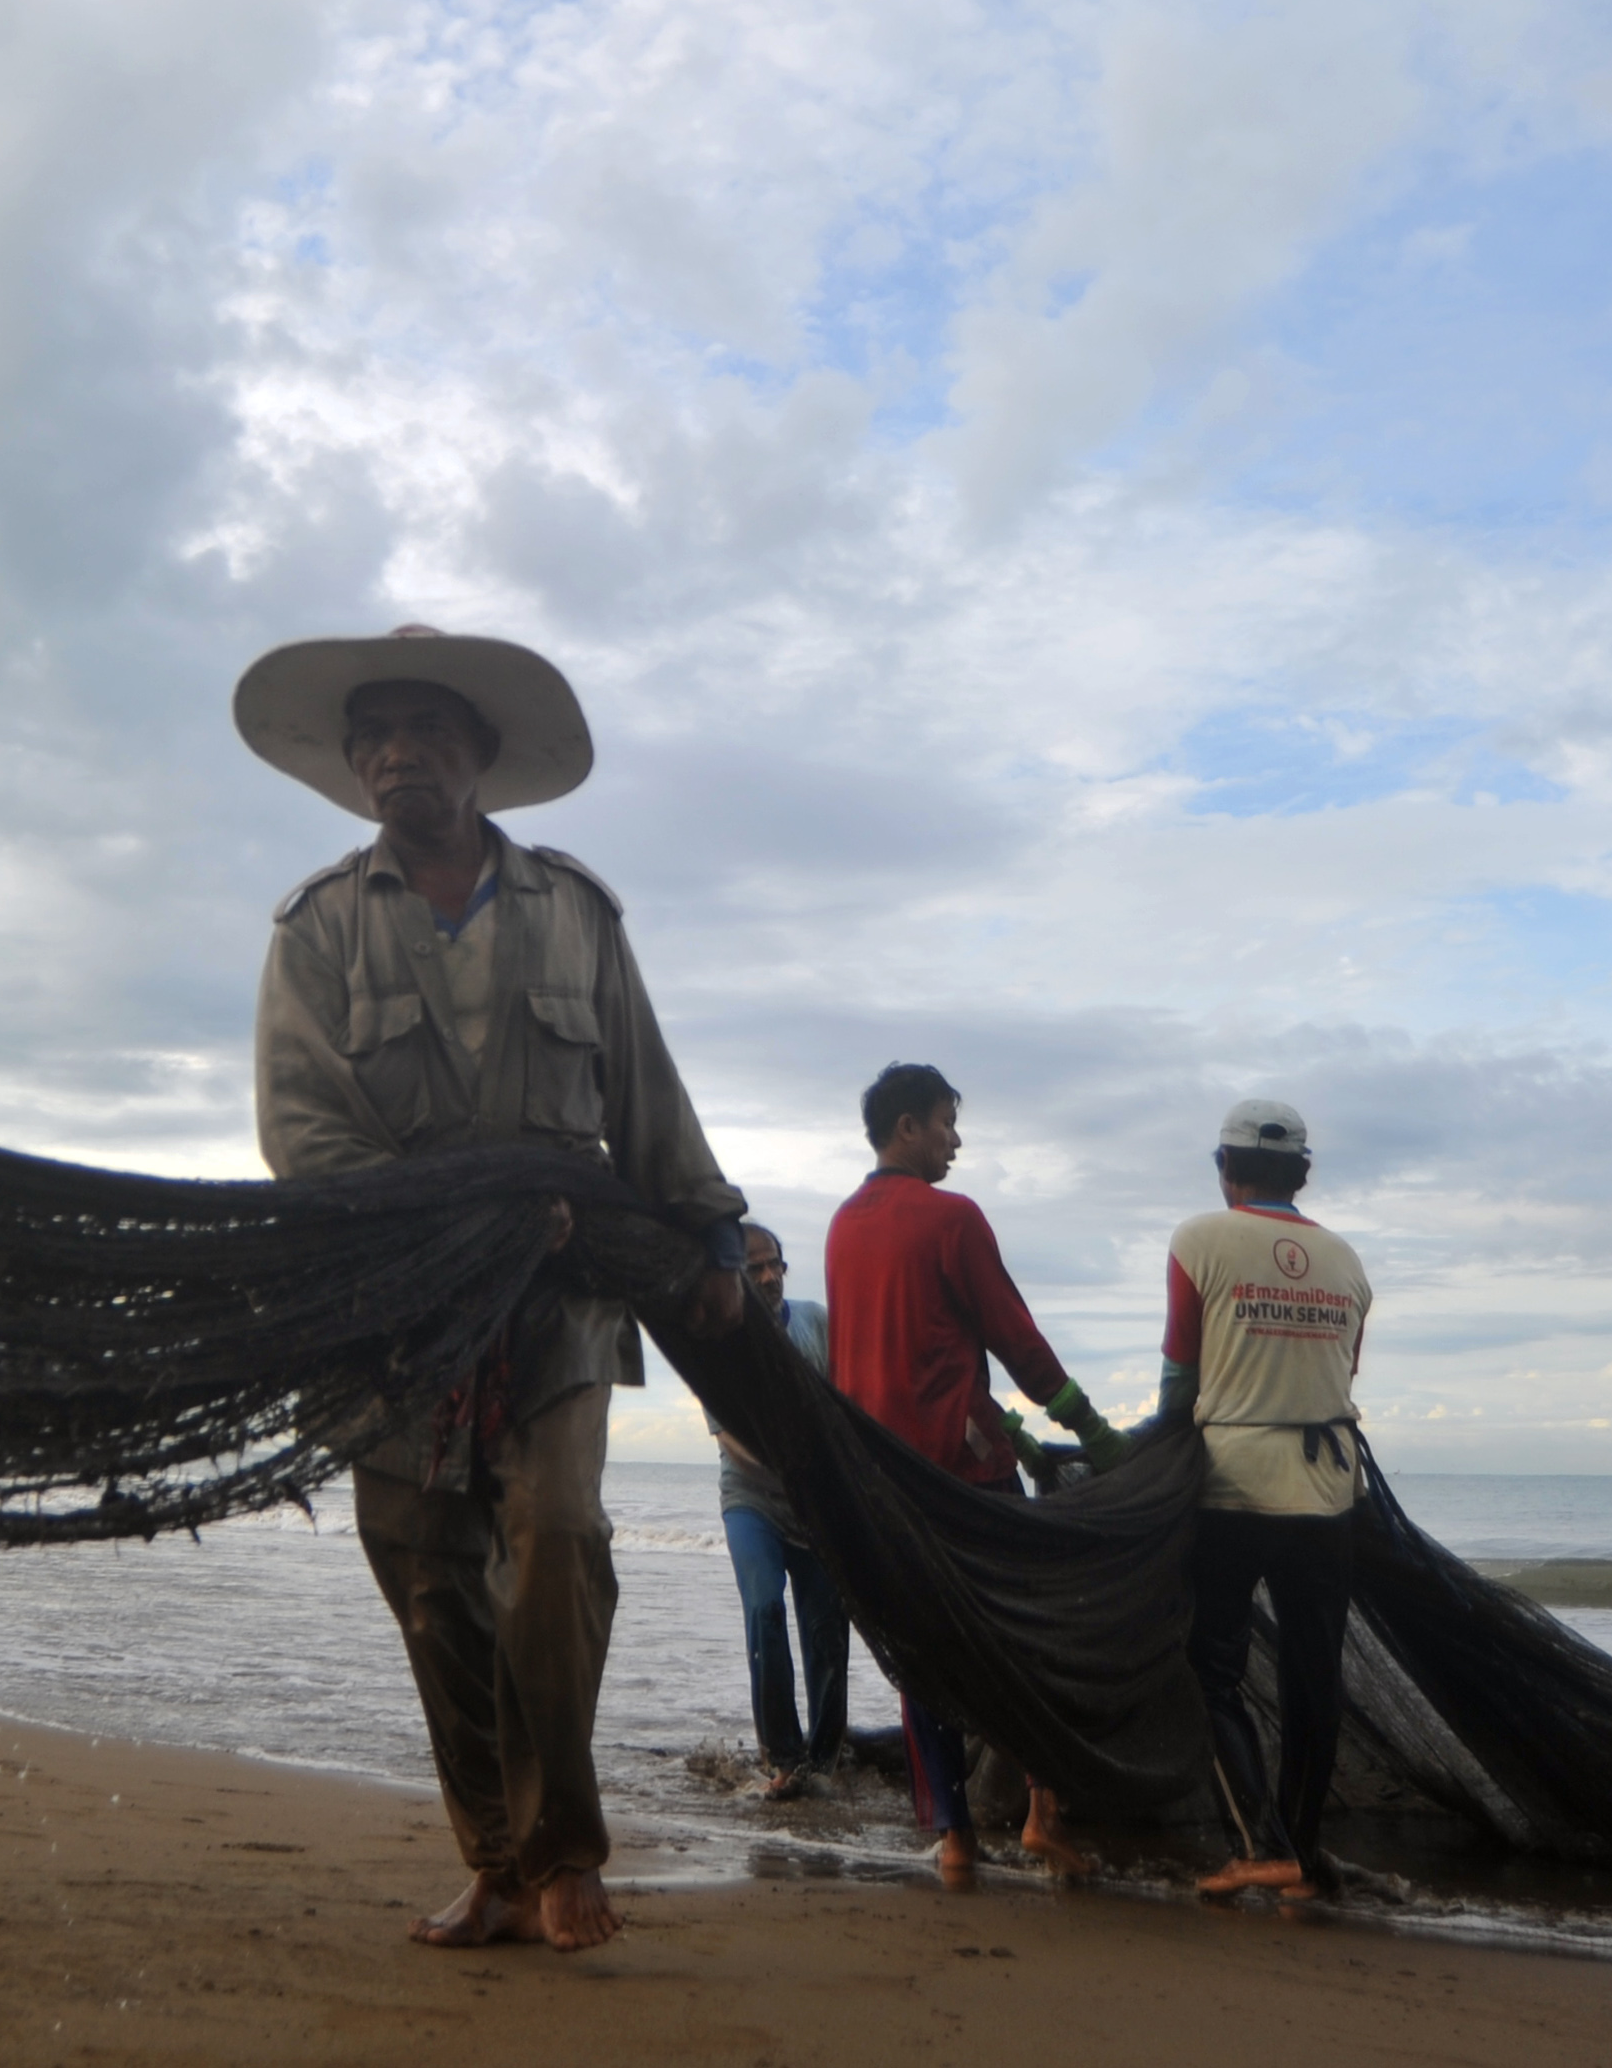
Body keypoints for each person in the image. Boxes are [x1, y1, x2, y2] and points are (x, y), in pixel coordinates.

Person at [242, 626, 747, 1955]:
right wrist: (456, 1221)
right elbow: (304, 1129)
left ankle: (568, 1851)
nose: (398, 751)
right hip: (395, 1309)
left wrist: (712, 1234)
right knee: (427, 1581)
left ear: (482, 755)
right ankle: (496, 1858)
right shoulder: (315, 927)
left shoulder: (574, 908)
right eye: (375, 734)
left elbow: (644, 1090)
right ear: (355, 766)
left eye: (426, 728)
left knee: (560, 1541)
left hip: (563, 1294)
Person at [823, 1061, 1110, 1885]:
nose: (956, 1138)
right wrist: (1084, 1422)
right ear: (907, 1127)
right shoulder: (952, 1217)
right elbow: (1013, 1336)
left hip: (880, 1481)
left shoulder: (843, 1225)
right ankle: (1040, 1814)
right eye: (947, 1121)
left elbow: (874, 1353)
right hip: (966, 1477)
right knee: (1022, 1638)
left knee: (922, 1654)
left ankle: (952, 1836)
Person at [1159, 1097, 1371, 1902]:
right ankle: (1302, 1856)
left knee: (1208, 1667)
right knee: (1316, 1675)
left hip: (1233, 1486)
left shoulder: (1200, 1239)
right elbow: (1340, 1377)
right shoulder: (1347, 1260)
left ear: (1226, 1167)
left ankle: (1259, 1841)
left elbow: (1182, 1378)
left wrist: (1142, 1453)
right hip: (1327, 1490)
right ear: (1303, 1173)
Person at [709, 1222, 849, 1797]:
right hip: (753, 1503)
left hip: (818, 1508)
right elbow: (731, 1443)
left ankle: (826, 1759)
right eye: (755, 1267)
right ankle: (784, 1759)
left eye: (776, 1265)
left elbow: (850, 1401)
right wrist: (787, 1470)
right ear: (736, 1275)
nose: (769, 1276)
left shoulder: (816, 1323)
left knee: (827, 1633)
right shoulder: (722, 1343)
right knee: (765, 1608)